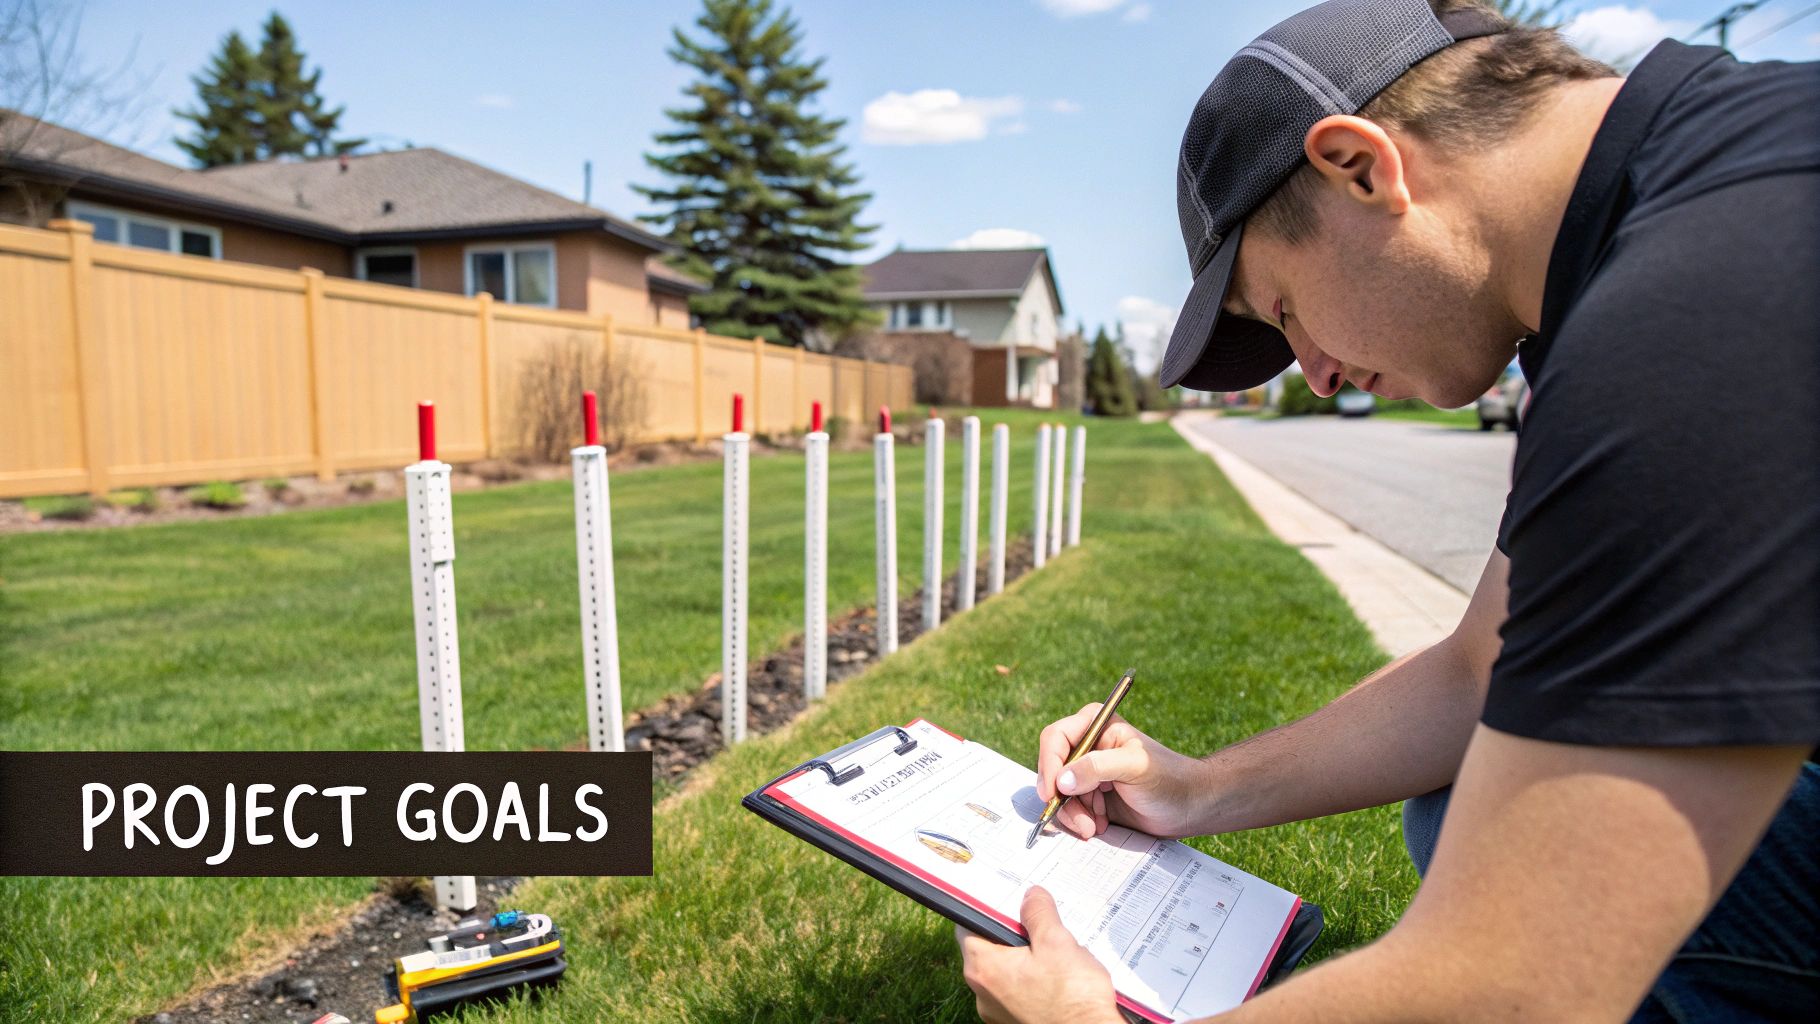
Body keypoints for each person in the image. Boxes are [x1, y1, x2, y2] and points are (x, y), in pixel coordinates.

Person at [955, 0, 1818, 1020]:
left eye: (1283, 312)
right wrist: (1194, 788)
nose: (1315, 376)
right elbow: (1478, 667)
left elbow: (1517, 982)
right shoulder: (1673, 214)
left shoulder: (1691, 308)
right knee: (1464, 806)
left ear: (1358, 165)